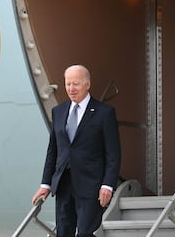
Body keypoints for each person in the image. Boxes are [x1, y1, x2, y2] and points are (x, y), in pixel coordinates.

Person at [32, 64, 121, 237]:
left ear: (87, 84)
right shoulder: (58, 111)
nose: (71, 89)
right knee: (63, 232)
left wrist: (108, 184)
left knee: (85, 233)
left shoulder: (104, 113)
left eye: (76, 84)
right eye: (68, 84)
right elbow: (53, 151)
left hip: (91, 186)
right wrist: (45, 184)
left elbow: (113, 153)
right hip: (64, 185)